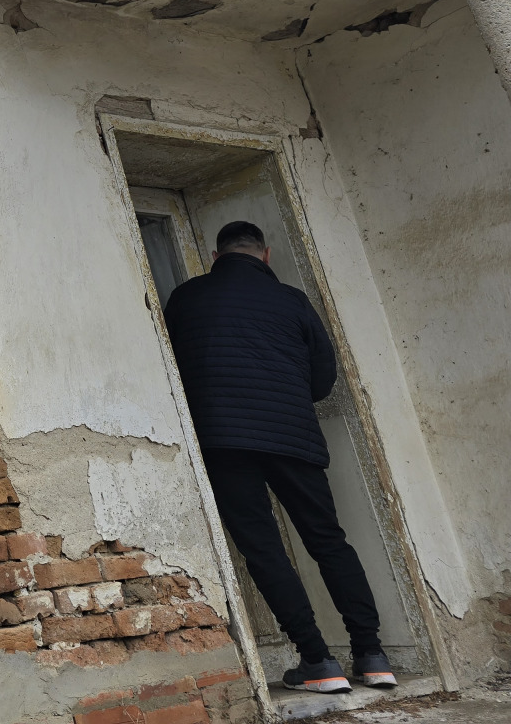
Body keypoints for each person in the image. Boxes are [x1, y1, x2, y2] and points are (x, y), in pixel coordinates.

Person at [163, 220, 396, 695]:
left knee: (264, 549)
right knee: (328, 541)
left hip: (224, 440)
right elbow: (322, 379)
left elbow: (173, 369)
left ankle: (318, 661)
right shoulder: (293, 301)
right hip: (294, 438)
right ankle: (372, 655)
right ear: (265, 254)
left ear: (215, 256)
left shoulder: (186, 298)